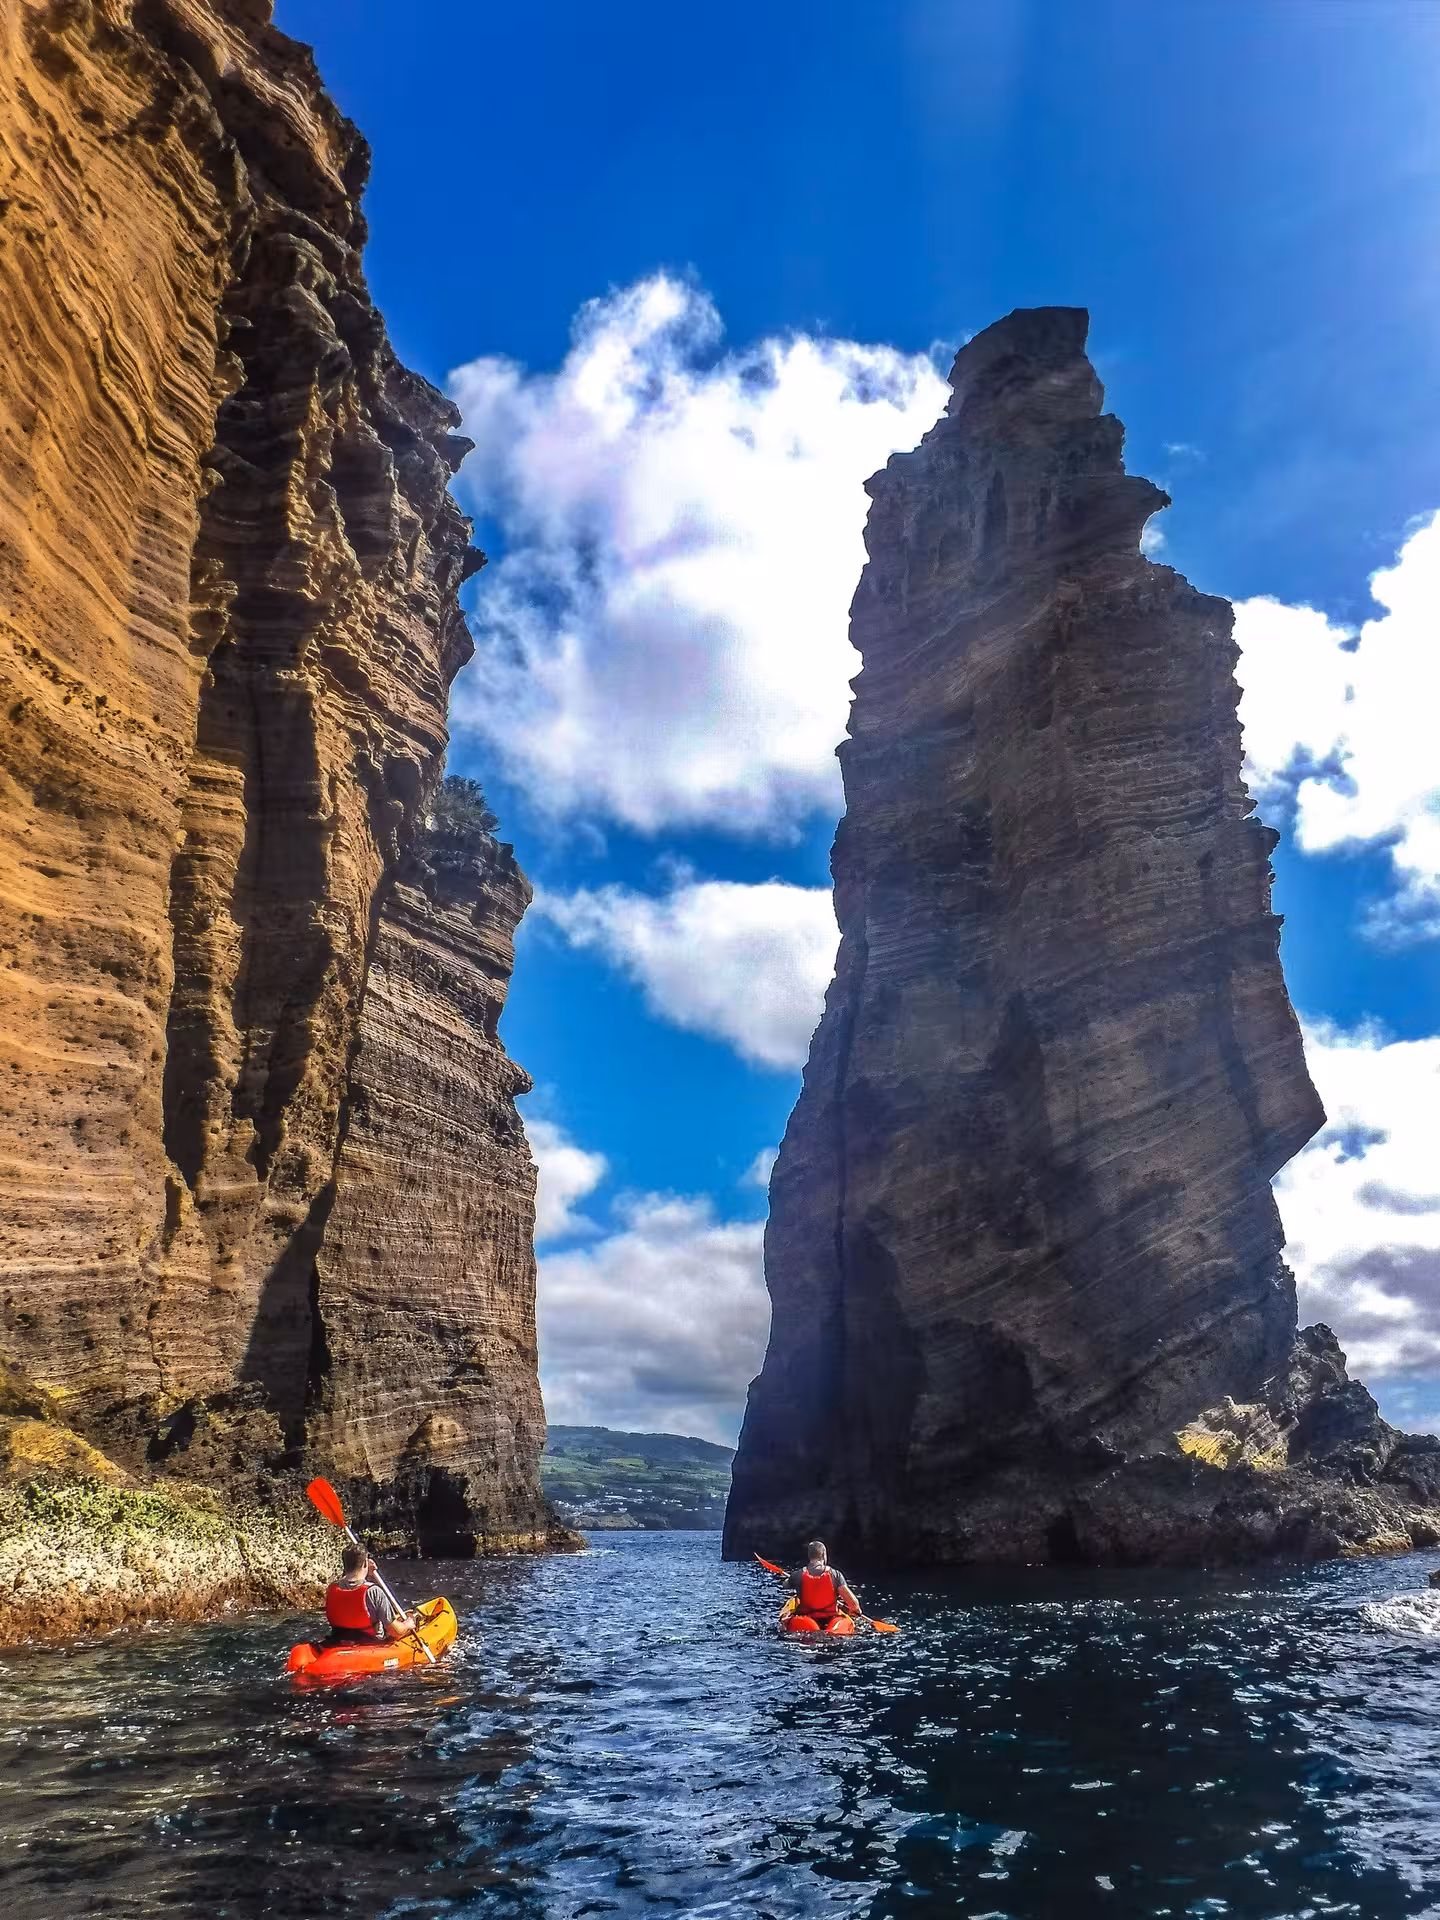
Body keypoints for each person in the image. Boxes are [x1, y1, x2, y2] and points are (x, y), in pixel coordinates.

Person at [323, 1544, 421, 1645]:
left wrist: (365, 1570)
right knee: (406, 1623)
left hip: (338, 1640)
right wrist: (407, 1624)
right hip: (370, 1643)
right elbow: (395, 1632)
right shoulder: (373, 1591)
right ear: (365, 1563)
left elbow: (347, 1581)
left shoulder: (332, 1588)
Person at [782, 1539, 862, 1628]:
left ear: (809, 1556)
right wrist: (856, 1611)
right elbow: (854, 1605)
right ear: (824, 1555)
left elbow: (785, 1585)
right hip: (830, 1620)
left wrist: (791, 1579)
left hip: (806, 1622)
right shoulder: (836, 1575)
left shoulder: (797, 1575)